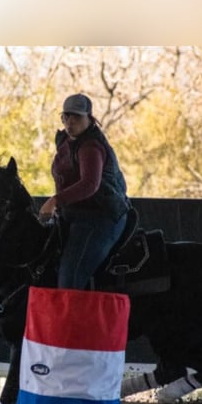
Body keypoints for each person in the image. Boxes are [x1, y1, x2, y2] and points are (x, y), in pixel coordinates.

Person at [38, 93, 131, 290]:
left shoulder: (91, 146)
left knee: (69, 279)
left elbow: (90, 184)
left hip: (100, 218)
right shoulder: (66, 143)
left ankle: (73, 318)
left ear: (90, 118)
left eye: (77, 117)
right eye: (66, 117)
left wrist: (55, 201)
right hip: (75, 216)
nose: (70, 122)